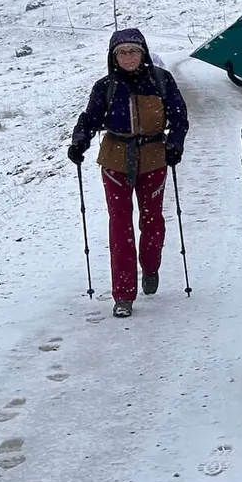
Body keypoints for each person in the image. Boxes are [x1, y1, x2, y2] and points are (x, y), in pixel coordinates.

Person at [68, 28, 189, 318]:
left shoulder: (162, 81)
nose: (128, 57)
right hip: (115, 159)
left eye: (133, 51)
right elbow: (90, 118)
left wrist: (174, 145)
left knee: (152, 221)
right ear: (113, 57)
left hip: (154, 158)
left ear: (143, 53)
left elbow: (180, 117)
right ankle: (123, 294)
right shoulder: (105, 86)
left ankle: (150, 266)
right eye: (121, 52)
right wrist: (79, 141)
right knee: (119, 226)